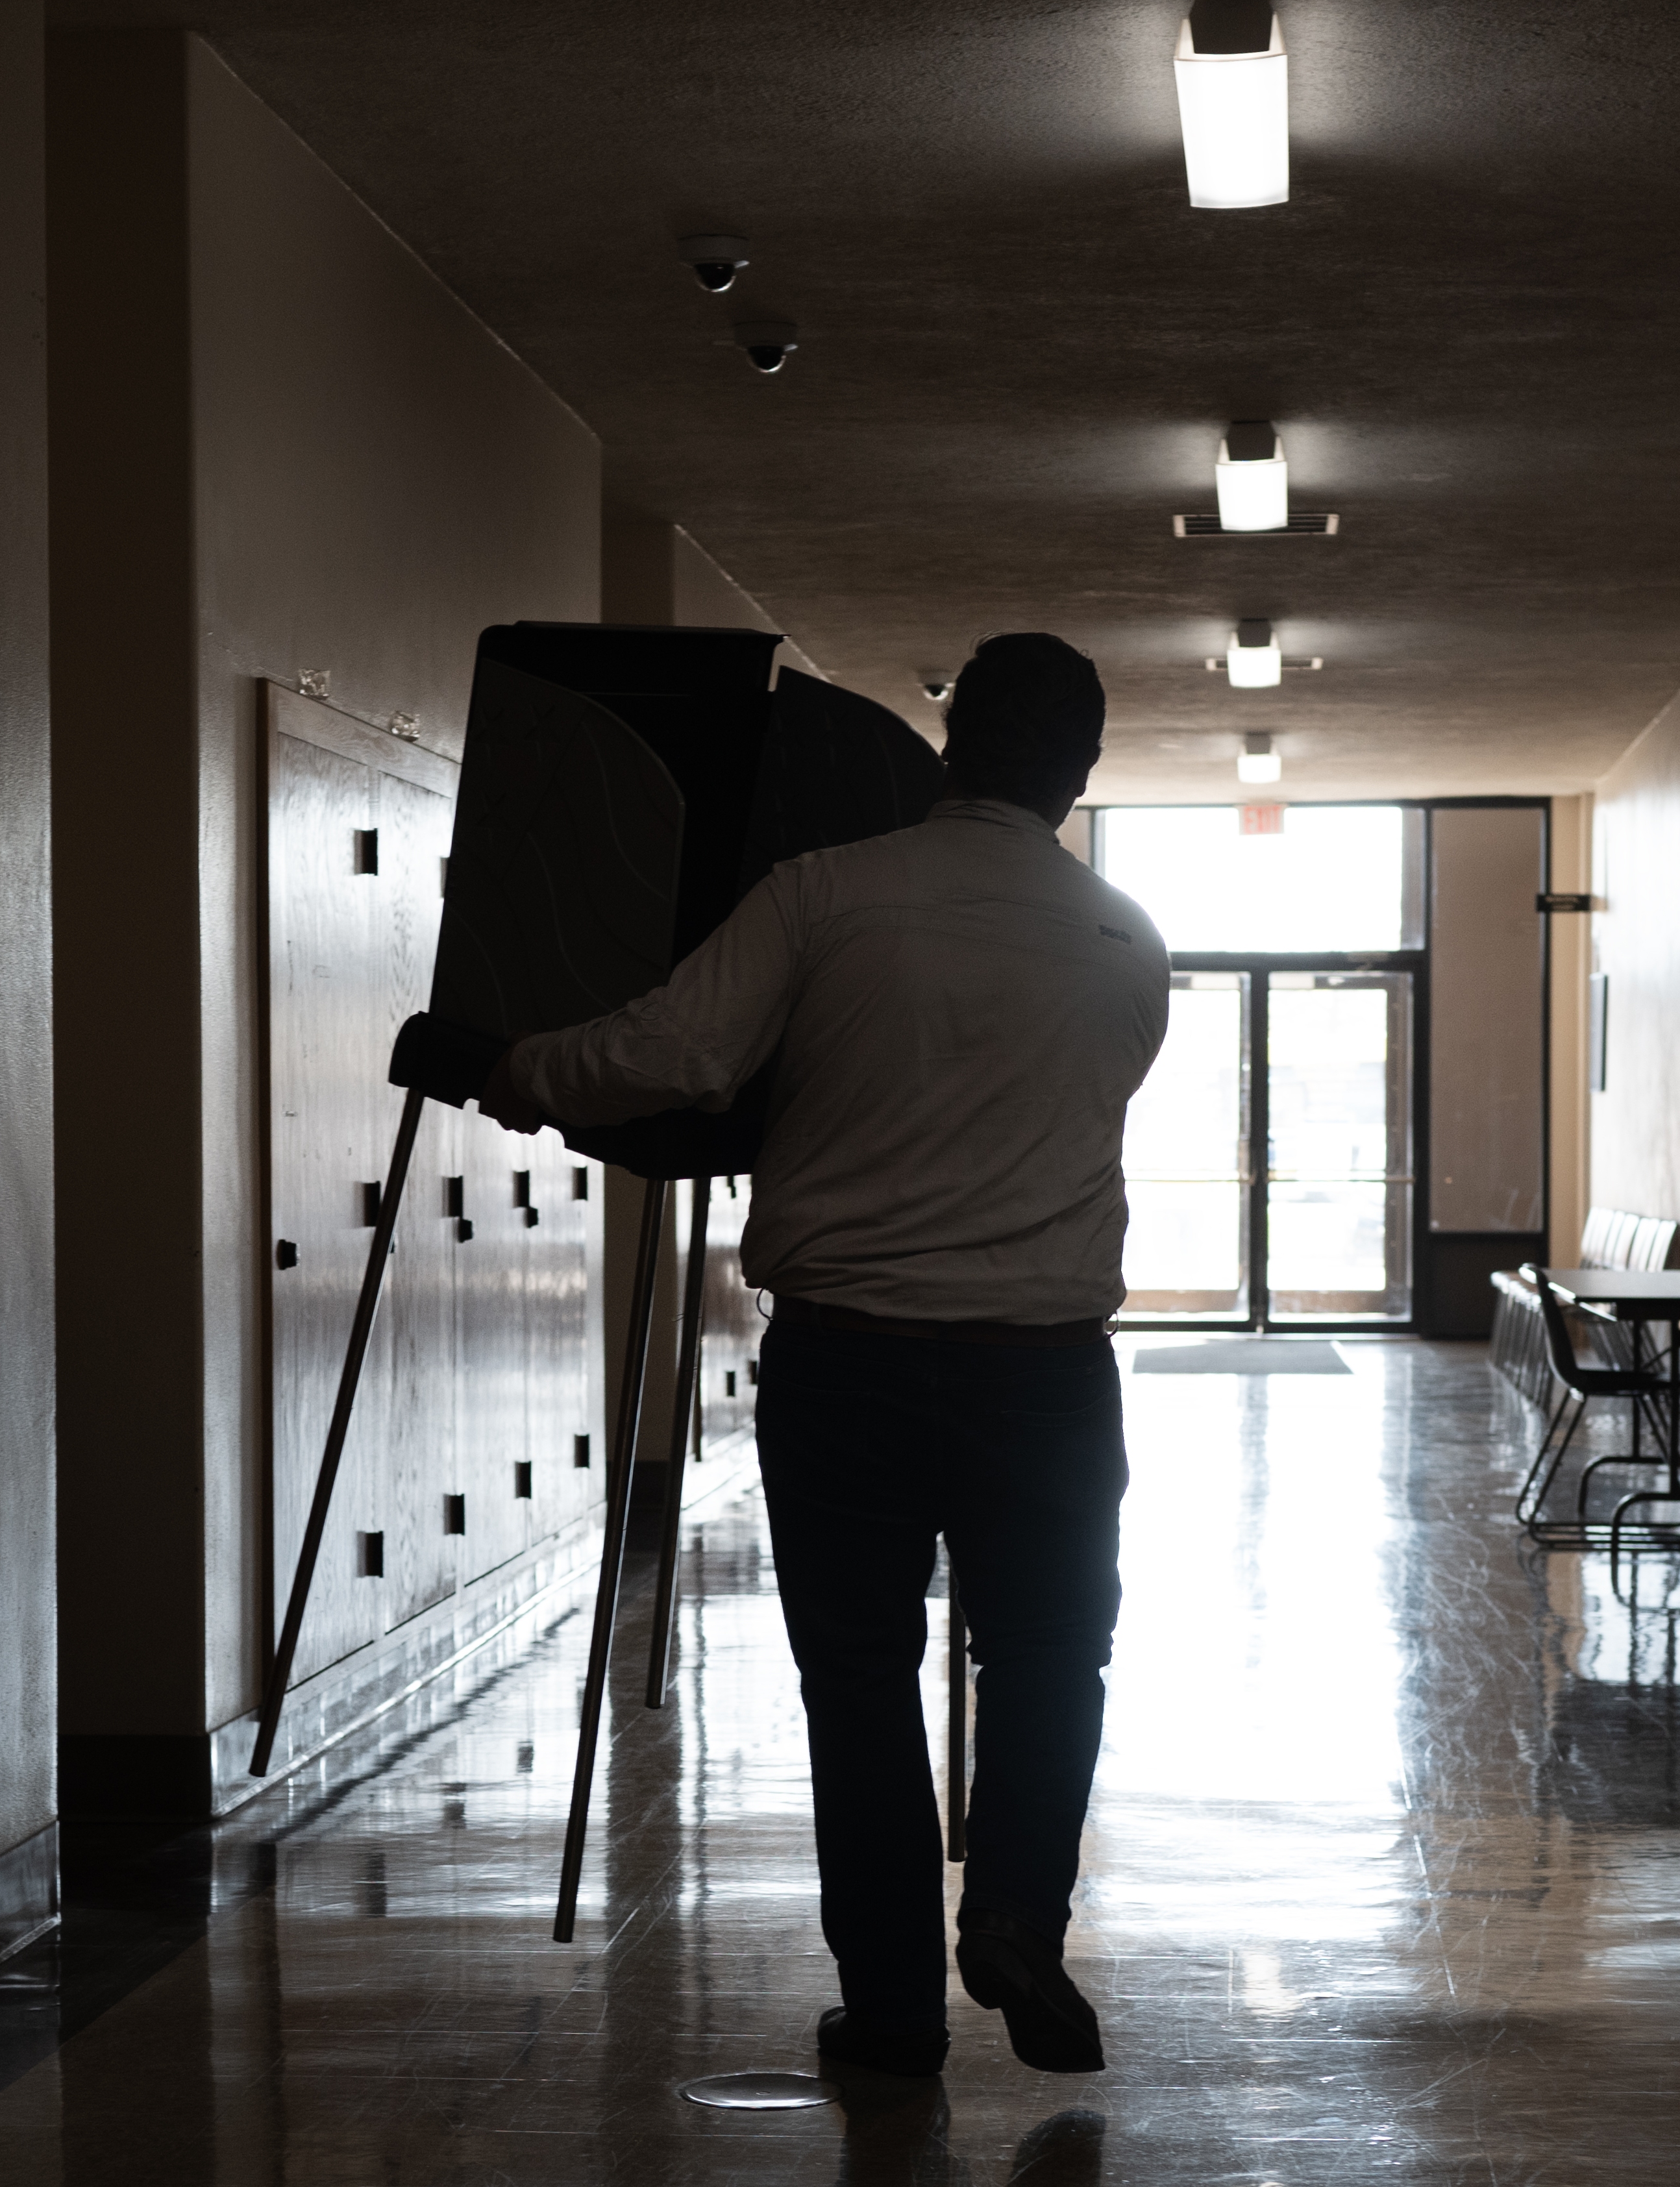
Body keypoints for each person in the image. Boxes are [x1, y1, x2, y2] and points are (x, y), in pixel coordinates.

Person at [472, 632, 1168, 2077]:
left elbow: (674, 1053)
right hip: (1046, 1372)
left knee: (859, 1676)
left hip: (849, 1364)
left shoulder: (828, 894)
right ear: (1081, 769)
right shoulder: (1127, 942)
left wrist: (512, 1065)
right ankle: (1022, 1923)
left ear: (951, 737)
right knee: (1052, 1659)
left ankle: (899, 2005)